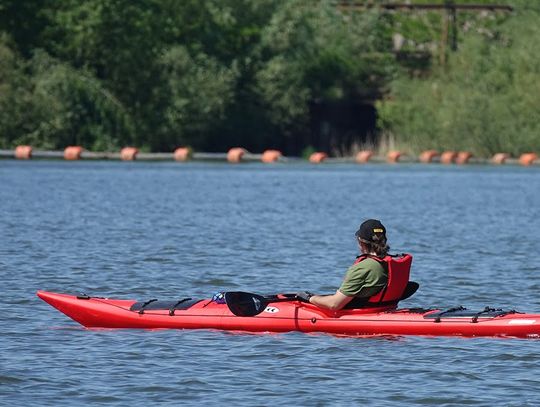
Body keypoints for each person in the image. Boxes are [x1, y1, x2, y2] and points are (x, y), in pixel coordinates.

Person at [297, 219, 390, 311]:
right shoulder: (389, 263)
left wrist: (309, 298)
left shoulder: (363, 268)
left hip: (361, 313)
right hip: (384, 308)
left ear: (360, 241)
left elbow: (334, 304)